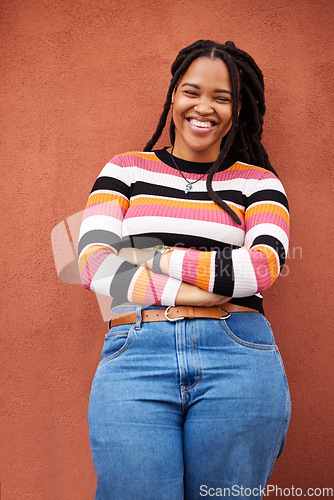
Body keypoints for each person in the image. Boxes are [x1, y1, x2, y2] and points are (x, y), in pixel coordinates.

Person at [78, 40, 291, 500]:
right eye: (192, 91)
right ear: (173, 95)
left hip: (237, 355)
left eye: (222, 97)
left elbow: (260, 268)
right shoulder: (125, 170)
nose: (204, 107)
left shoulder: (258, 182)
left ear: (239, 108)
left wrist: (148, 255)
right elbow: (93, 264)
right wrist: (191, 294)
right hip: (135, 355)